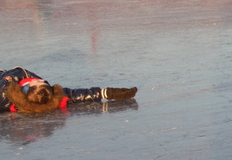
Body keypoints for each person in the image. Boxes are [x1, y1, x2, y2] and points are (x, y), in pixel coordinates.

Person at [1, 67, 137, 114]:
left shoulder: (5, 93)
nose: (41, 80)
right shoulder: (49, 96)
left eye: (38, 82)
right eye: (39, 81)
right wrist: (108, 93)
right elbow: (75, 95)